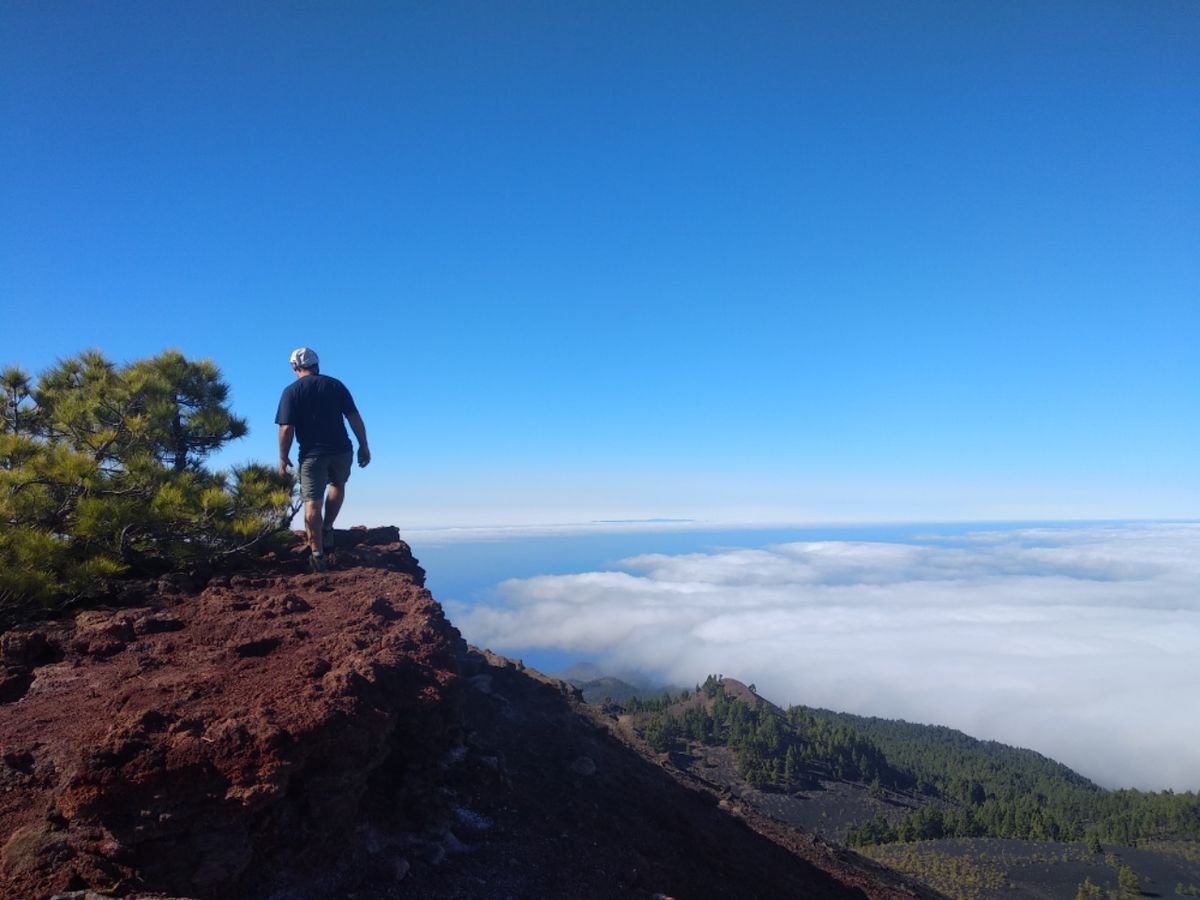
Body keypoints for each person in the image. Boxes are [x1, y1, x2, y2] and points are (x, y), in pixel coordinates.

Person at [275, 347, 370, 571]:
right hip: (341, 450)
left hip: (311, 455)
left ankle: (317, 554)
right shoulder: (335, 385)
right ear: (316, 365)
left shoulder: (291, 391)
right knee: (337, 485)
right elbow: (354, 417)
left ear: (295, 367)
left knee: (312, 501)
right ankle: (327, 529)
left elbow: (286, 428)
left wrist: (283, 458)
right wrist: (363, 445)